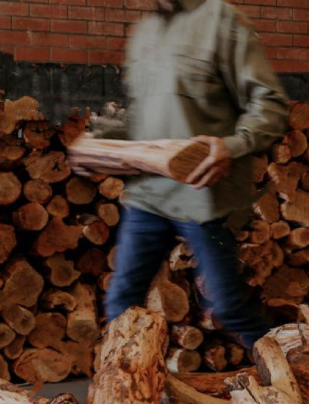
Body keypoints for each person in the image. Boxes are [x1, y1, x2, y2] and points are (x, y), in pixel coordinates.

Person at [83, 0, 289, 349]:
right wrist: (98, 140)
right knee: (121, 304)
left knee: (228, 308)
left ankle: (293, 380)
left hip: (203, 197)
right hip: (149, 195)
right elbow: (143, 116)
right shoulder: (146, 30)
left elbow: (270, 104)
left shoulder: (220, 20)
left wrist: (234, 145)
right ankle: (130, 396)